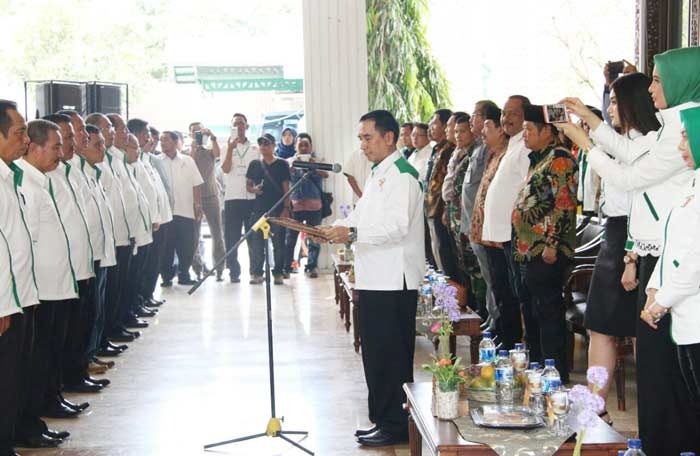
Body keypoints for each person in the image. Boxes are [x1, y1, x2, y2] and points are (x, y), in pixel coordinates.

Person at [560, 46, 700, 455]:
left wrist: (585, 143)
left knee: (666, 371)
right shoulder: (672, 125)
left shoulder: (684, 126)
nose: (653, 86)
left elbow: (630, 176)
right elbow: (630, 154)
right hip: (657, 254)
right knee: (658, 371)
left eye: (658, 79)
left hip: (674, 260)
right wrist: (589, 121)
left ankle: (668, 444)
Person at [319, 110, 424, 447]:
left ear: (389, 137)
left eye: (367, 137)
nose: (362, 145)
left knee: (391, 355)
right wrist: (337, 228)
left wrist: (350, 235)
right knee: (376, 353)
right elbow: (361, 217)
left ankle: (396, 424)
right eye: (360, 138)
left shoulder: (403, 174)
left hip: (394, 279)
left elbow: (396, 227)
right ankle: (383, 419)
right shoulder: (380, 173)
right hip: (375, 276)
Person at [566, 74, 660, 416]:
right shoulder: (621, 142)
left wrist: (630, 258)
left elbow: (640, 200)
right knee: (601, 326)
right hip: (614, 235)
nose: (610, 108)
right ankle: (595, 403)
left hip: (632, 240)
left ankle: (651, 406)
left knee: (638, 330)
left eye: (617, 102)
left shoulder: (649, 143)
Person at [15, 119, 79, 448]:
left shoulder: (39, 180)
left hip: (55, 285)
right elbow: (25, 241)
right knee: (35, 361)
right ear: (36, 148)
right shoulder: (23, 183)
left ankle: (42, 411)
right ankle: (29, 422)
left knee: (50, 352)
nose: (60, 152)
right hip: (39, 288)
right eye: (55, 146)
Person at [642, 105, 700, 455]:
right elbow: (672, 243)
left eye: (685, 135)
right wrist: (653, 287)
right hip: (685, 317)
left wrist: (662, 302)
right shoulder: (694, 182)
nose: (681, 143)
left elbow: (695, 260)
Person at [512, 104, 578, 383]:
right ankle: (537, 368)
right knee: (533, 312)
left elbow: (564, 204)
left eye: (529, 129)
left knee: (549, 314)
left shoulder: (559, 159)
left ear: (547, 131)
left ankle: (555, 376)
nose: (524, 134)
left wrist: (552, 243)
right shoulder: (539, 158)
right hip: (528, 250)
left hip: (546, 251)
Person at [42, 113, 97, 416]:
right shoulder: (39, 178)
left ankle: (63, 387)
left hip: (75, 267)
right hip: (51, 279)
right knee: (50, 346)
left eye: (73, 138)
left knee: (71, 333)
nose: (71, 144)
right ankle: (50, 397)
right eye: (63, 139)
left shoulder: (67, 171)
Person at [0, 100, 41, 456]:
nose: (25, 139)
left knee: (15, 377)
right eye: (19, 132)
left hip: (19, 294)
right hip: (4, 301)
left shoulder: (9, 175)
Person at [482, 95, 533, 353]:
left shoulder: (525, 146)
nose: (507, 118)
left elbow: (526, 188)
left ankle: (512, 344)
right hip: (497, 233)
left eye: (513, 112)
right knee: (500, 291)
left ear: (526, 115)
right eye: (504, 113)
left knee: (511, 294)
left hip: (511, 234)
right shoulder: (511, 144)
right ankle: (505, 336)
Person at [461, 101, 500, 320]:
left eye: (475, 115)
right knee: (484, 275)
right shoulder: (479, 146)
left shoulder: (488, 149)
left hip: (485, 227)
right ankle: (489, 318)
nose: (470, 119)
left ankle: (494, 320)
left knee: (490, 277)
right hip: (472, 223)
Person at [159, 130, 204, 286]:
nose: (162, 143)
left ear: (175, 140)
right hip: (166, 212)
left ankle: (184, 274)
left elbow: (196, 184)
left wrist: (197, 205)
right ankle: (166, 277)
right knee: (166, 246)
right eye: (160, 140)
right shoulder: (157, 161)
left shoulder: (187, 161)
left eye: (165, 140)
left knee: (187, 244)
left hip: (185, 210)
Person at [246, 133, 291, 285]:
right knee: (257, 243)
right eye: (261, 144)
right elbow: (248, 186)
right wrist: (254, 190)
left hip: (278, 209)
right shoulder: (254, 164)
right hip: (259, 210)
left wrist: (286, 207)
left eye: (267, 144)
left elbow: (287, 188)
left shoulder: (282, 164)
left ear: (274, 145)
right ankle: (257, 273)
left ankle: (278, 273)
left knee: (278, 243)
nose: (264, 147)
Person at [284, 133, 327, 278]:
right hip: (295, 205)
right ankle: (288, 267)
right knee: (291, 238)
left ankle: (311, 266)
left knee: (314, 237)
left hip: (314, 205)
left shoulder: (317, 160)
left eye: (306, 145)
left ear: (311, 147)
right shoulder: (289, 162)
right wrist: (293, 167)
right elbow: (284, 177)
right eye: (300, 144)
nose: (303, 147)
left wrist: (312, 166)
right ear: (295, 146)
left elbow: (325, 174)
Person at [221, 113, 258, 283]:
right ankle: (234, 271)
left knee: (253, 236)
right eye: (235, 124)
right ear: (231, 127)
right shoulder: (225, 147)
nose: (239, 127)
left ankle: (254, 270)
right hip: (233, 197)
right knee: (232, 237)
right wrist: (230, 149)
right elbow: (226, 169)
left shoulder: (255, 148)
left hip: (251, 198)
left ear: (247, 126)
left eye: (241, 124)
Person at [188, 122, 225, 281]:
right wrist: (194, 146)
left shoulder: (209, 151)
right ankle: (198, 269)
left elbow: (218, 154)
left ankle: (219, 269)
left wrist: (212, 136)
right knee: (194, 235)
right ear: (190, 134)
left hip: (211, 196)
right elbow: (190, 163)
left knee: (217, 233)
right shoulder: (187, 152)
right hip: (194, 198)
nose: (197, 134)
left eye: (199, 132)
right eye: (194, 132)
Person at [424, 108, 455, 275]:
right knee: (436, 254)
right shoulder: (438, 149)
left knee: (445, 255)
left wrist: (445, 210)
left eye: (434, 122)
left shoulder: (449, 149)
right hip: (431, 208)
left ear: (445, 126)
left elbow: (448, 185)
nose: (430, 126)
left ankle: (452, 297)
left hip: (440, 210)